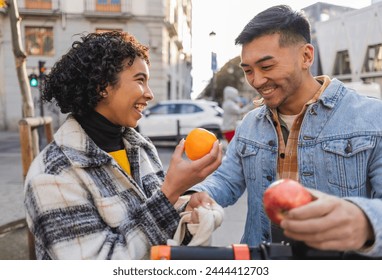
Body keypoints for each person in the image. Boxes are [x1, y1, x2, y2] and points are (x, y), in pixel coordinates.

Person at [192, 5, 382, 257]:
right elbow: (226, 180)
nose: (257, 81)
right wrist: (199, 194)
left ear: (306, 56)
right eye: (248, 70)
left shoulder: (372, 118)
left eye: (267, 67)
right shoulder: (249, 124)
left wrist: (364, 221)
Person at [24, 31, 223, 260]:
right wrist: (170, 193)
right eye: (140, 80)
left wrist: (187, 210)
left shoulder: (141, 147)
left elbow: (160, 228)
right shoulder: (52, 176)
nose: (149, 94)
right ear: (102, 86)